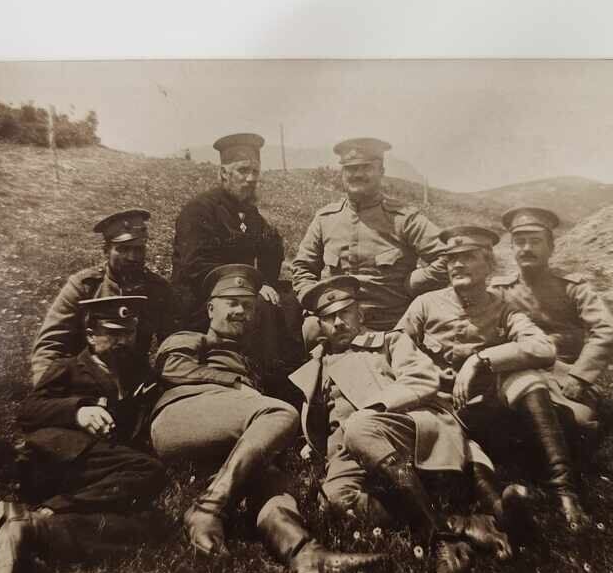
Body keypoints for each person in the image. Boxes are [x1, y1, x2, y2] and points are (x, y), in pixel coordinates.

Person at [149, 264, 384, 573]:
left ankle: (303, 552)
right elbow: (171, 368)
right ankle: (208, 508)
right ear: (210, 309)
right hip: (182, 415)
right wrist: (235, 384)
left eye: (248, 306)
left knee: (274, 483)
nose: (240, 312)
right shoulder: (190, 338)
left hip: (231, 439)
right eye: (232, 303)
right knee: (279, 413)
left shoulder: (251, 360)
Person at [289, 276, 515, 573]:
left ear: (361, 315)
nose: (338, 323)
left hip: (407, 428)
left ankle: (439, 538)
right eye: (329, 318)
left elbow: (422, 379)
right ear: (320, 325)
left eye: (345, 313)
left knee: (359, 427)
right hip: (351, 447)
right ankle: (460, 522)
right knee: (338, 500)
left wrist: (374, 409)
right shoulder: (317, 364)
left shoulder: (389, 342)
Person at [398, 225, 591, 530]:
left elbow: (542, 347)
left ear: (489, 264)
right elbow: (397, 345)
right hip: (441, 403)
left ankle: (564, 489)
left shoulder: (503, 308)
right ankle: (500, 501)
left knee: (527, 378)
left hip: (489, 403)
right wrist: (427, 370)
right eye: (452, 258)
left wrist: (481, 360)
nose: (457, 265)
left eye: (468, 257)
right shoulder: (425, 303)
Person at [0, 295, 168, 573]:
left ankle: (35, 526)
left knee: (149, 523)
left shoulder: (141, 372)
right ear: (91, 335)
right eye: (113, 334)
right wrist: (78, 411)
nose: (123, 341)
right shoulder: (67, 367)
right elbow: (29, 411)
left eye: (129, 333)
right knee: (149, 470)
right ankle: (21, 472)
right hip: (64, 451)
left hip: (103, 466)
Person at [169, 132, 302, 384]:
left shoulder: (249, 212)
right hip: (199, 300)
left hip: (238, 292)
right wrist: (252, 285)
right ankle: (266, 378)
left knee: (288, 300)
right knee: (261, 306)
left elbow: (271, 247)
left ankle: (291, 371)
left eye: (255, 171)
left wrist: (266, 281)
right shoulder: (199, 211)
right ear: (223, 173)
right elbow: (194, 265)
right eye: (243, 170)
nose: (251, 178)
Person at [291, 137, 448, 339]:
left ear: (381, 171)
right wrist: (317, 302)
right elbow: (303, 268)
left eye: (366, 167)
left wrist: (413, 284)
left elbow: (448, 256)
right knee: (310, 330)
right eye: (351, 168)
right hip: (337, 322)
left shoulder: (404, 219)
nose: (357, 174)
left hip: (389, 324)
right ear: (342, 173)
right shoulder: (325, 219)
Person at [490, 207, 613, 434]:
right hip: (517, 368)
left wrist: (579, 377)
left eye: (535, 241)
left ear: (551, 247)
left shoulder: (573, 287)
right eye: (520, 242)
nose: (526, 248)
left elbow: (607, 331)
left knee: (576, 422)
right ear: (512, 248)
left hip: (562, 372)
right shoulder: (500, 289)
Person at [30, 209, 176, 385]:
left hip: (136, 381)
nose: (132, 257)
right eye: (123, 249)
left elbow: (173, 342)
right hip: (84, 380)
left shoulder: (157, 289)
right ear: (106, 251)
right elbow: (50, 345)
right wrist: (48, 388)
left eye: (139, 249)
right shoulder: (84, 286)